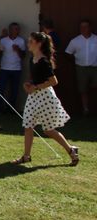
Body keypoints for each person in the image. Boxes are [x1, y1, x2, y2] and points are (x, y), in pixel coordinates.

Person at [12, 32, 78, 166]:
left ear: (39, 44)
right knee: (28, 125)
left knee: (48, 130)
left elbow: (53, 81)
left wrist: (36, 87)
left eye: (31, 41)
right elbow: (36, 78)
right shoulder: (32, 59)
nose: (28, 43)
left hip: (45, 97)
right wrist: (29, 83)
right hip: (34, 97)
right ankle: (26, 156)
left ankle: (71, 150)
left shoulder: (44, 61)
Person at [65, 19, 97, 116]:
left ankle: (94, 109)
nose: (83, 29)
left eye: (86, 26)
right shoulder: (75, 41)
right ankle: (85, 109)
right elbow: (68, 53)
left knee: (95, 88)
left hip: (95, 68)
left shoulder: (96, 39)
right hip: (81, 68)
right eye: (82, 27)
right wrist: (75, 60)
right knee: (83, 90)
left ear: (90, 27)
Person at [0, 22, 26, 112]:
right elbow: (0, 53)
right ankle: (0, 109)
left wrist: (18, 50)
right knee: (1, 89)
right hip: (4, 68)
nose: (17, 31)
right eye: (15, 29)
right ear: (10, 30)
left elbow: (23, 56)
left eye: (18, 29)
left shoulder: (21, 41)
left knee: (14, 91)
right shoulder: (3, 40)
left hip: (16, 69)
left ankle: (11, 110)